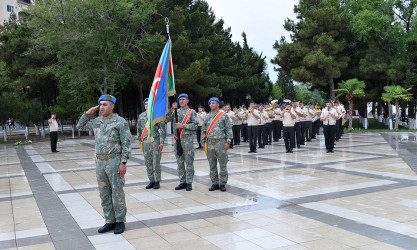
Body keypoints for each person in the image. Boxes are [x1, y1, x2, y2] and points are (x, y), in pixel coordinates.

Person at [77, 94, 132, 234]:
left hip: (114, 161)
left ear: (112, 106)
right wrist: (88, 112)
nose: (102, 107)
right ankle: (109, 221)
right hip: (100, 161)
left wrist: (123, 162)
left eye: (105, 104)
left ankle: (120, 221)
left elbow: (126, 143)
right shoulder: (96, 122)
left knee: (117, 192)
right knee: (104, 193)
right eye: (100, 105)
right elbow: (80, 126)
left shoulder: (120, 122)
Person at [167, 93, 198, 191]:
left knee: (189, 161)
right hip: (177, 140)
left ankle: (189, 182)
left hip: (187, 139)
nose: (181, 101)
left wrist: (183, 126)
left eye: (183, 99)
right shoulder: (176, 111)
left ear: (187, 101)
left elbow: (195, 125)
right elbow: (166, 119)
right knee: (179, 162)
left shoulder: (191, 112)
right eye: (180, 100)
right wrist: (172, 109)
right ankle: (182, 181)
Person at [201, 97, 233, 192]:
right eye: (210, 103)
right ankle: (214, 183)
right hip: (210, 143)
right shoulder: (207, 116)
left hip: (221, 142)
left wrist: (228, 142)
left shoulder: (223, 115)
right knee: (212, 164)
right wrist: (202, 142)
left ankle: (223, 183)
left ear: (218, 104)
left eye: (213, 103)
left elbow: (228, 129)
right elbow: (203, 130)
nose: (211, 105)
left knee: (223, 164)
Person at [137, 98, 166, 190]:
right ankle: (151, 180)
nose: (147, 105)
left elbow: (163, 130)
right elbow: (139, 129)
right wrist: (140, 141)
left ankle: (157, 181)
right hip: (145, 142)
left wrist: (161, 143)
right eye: (145, 104)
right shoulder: (141, 116)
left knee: (156, 162)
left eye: (148, 103)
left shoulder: (157, 115)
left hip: (155, 140)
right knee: (148, 162)